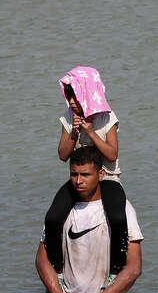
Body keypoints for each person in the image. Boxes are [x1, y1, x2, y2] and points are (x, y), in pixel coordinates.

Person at [36, 146, 143, 293]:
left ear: (100, 174)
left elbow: (134, 266)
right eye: (74, 174)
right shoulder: (60, 212)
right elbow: (41, 258)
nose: (78, 181)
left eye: (85, 175)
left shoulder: (122, 209)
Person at [45, 66, 128, 280]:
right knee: (53, 218)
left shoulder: (107, 118)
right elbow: (63, 155)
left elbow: (111, 153)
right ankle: (58, 269)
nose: (72, 102)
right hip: (79, 179)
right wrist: (74, 132)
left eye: (76, 96)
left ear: (87, 93)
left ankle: (116, 270)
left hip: (107, 178)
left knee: (118, 218)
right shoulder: (68, 117)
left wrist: (91, 132)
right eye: (69, 96)